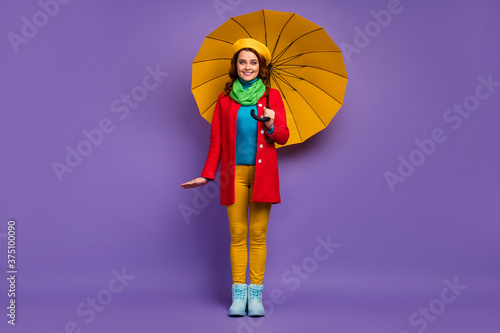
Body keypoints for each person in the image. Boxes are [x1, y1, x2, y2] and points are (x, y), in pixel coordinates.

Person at [181, 38, 289, 317]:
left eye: (253, 62)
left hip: (263, 174)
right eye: (243, 61)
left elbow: (283, 137)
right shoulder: (224, 101)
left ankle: (256, 296)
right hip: (234, 175)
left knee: (258, 234)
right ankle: (238, 296)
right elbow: (215, 142)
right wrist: (207, 175)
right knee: (238, 234)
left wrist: (270, 122)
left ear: (261, 67)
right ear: (235, 66)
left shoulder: (272, 98)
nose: (248, 67)